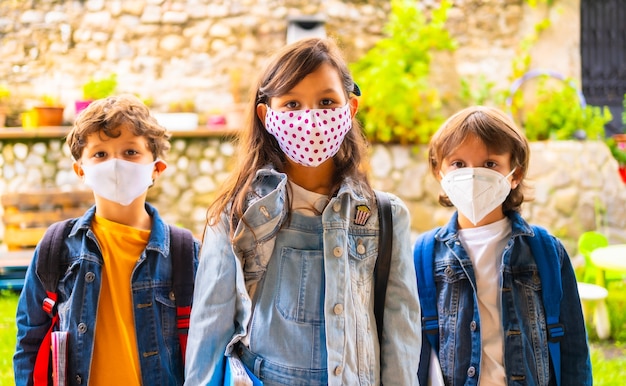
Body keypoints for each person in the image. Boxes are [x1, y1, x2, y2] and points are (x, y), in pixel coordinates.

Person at [184, 37, 421, 385]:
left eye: (327, 101)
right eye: (292, 104)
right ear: (267, 116)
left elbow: (401, 335)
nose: (310, 119)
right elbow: (210, 332)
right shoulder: (236, 216)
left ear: (350, 109)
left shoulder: (385, 217)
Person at [13, 94, 200, 385]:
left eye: (130, 152)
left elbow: (208, 345)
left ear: (156, 169)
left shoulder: (185, 253)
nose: (115, 164)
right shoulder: (56, 247)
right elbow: (30, 338)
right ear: (80, 171)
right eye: (100, 154)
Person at [413, 105, 592, 385]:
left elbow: (573, 351)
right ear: (439, 171)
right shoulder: (423, 256)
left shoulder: (545, 252)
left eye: (489, 164)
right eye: (458, 164)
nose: (472, 175)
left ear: (515, 174)